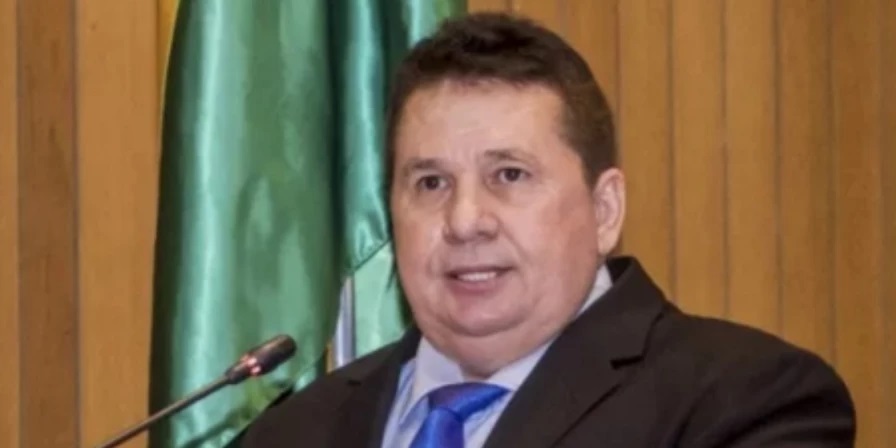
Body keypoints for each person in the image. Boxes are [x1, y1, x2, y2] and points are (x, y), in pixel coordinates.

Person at [240, 12, 855, 448]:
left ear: (605, 209)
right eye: (430, 183)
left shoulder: (746, 402)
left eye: (509, 174)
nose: (465, 220)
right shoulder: (290, 432)